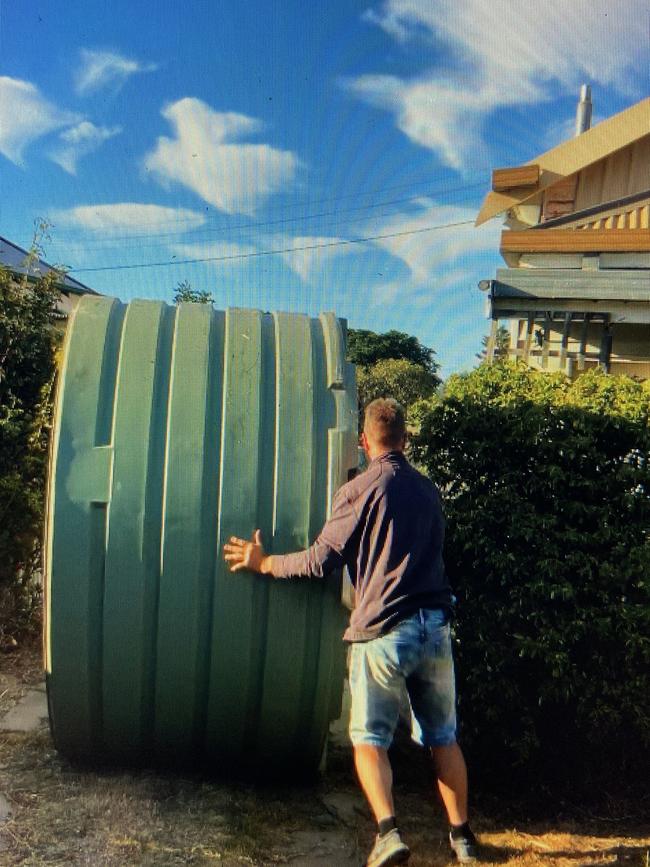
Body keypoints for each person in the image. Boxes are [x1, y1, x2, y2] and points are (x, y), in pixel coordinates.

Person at [223, 397, 478, 866]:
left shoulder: (359, 490)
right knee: (444, 738)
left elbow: (321, 560)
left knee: (368, 739)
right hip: (436, 628)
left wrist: (264, 562)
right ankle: (462, 839)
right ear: (405, 438)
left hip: (384, 631)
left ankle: (388, 834)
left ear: (364, 442)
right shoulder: (429, 491)